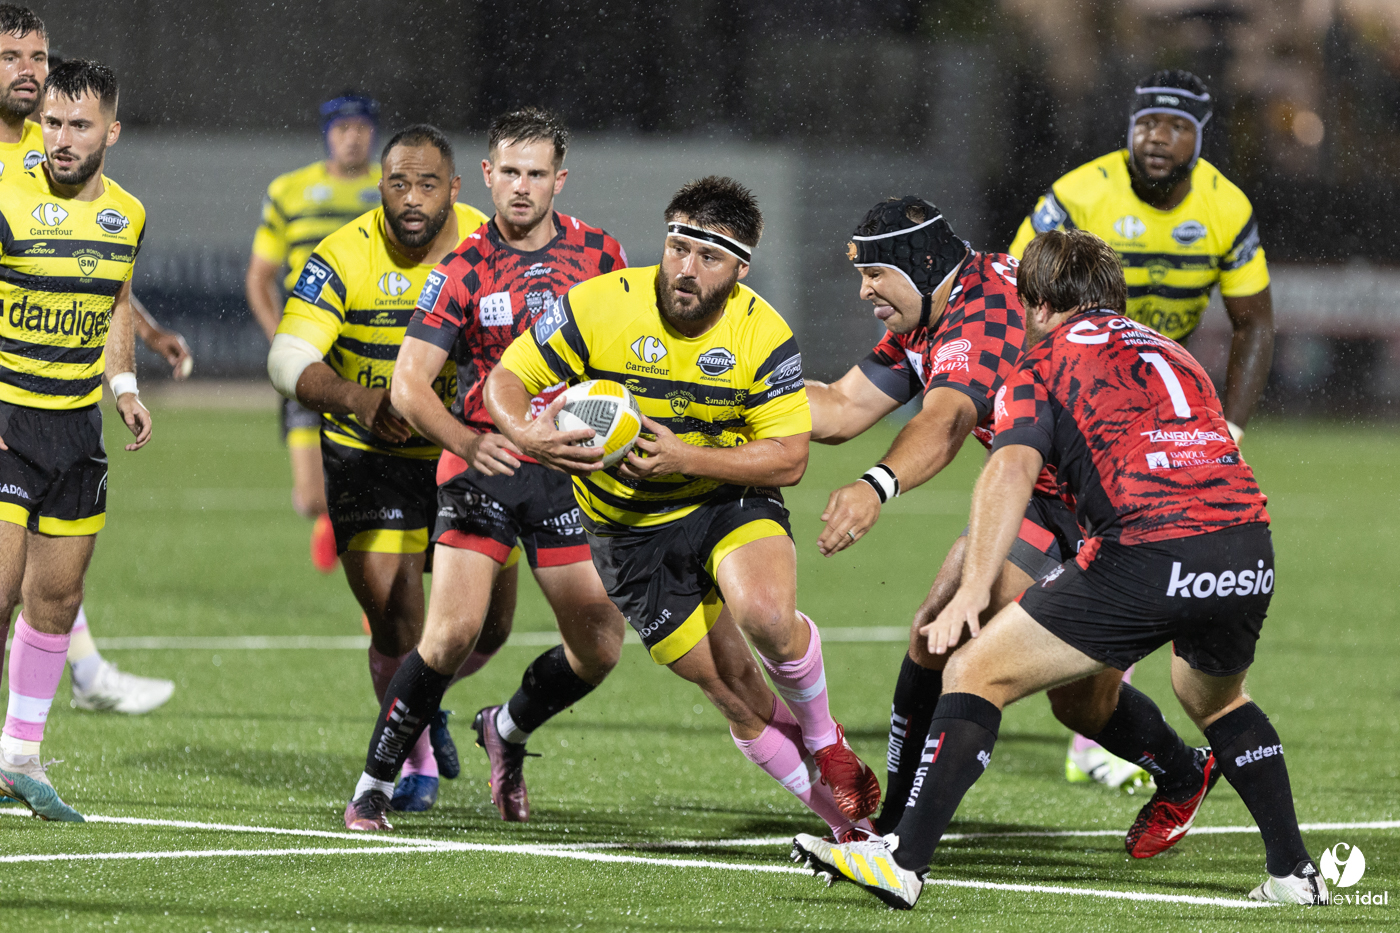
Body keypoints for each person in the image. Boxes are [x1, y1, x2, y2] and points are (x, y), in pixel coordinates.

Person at [793, 229, 1328, 909]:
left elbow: (1009, 469)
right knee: (1216, 699)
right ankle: (1294, 872)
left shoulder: (1042, 363)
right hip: (1245, 547)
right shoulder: (1176, 354)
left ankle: (901, 857)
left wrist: (978, 588)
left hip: (1146, 549)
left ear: (1039, 304)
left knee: (972, 667)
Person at [485, 176, 882, 842]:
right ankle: (850, 828)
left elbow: (788, 457)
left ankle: (826, 737)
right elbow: (508, 377)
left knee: (765, 615)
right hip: (628, 533)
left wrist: (685, 459)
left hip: (724, 498)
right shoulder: (599, 304)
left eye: (709, 258)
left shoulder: (763, 333)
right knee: (735, 691)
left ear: (740, 268)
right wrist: (525, 433)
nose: (686, 269)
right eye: (677, 248)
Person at [805, 197, 1171, 834]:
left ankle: (1197, 780)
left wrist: (876, 484)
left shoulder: (980, 313)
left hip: (1112, 508)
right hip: (1049, 496)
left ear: (920, 265)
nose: (864, 291)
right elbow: (838, 407)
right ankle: (892, 827)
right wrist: (736, 392)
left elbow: (946, 420)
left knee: (1054, 692)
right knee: (944, 633)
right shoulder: (934, 310)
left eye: (873, 274)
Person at [343, 108, 630, 830]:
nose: (523, 187)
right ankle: (374, 783)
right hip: (483, 464)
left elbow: (626, 359)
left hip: (564, 471)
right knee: (450, 635)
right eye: (510, 172)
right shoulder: (463, 267)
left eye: (537, 174)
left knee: (598, 647)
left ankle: (506, 728)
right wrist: (468, 445)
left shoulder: (601, 256)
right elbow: (409, 386)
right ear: (487, 177)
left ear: (559, 180)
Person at [1009, 69, 1275, 785]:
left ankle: (1096, 717)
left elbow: (1253, 321)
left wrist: (1234, 425)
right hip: (1083, 398)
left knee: (1141, 545)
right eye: (1146, 123)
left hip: (1160, 407)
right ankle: (1085, 701)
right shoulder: (1078, 193)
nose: (1157, 138)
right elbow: (1018, 296)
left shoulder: (1227, 206)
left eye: (1175, 126)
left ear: (1200, 136)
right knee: (1104, 550)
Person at [269, 124, 499, 813]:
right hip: (368, 455)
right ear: (380, 187)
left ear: (454, 190)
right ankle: (417, 754)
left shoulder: (486, 246)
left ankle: (423, 700)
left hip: (461, 450)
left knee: (490, 627)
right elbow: (286, 359)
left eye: (428, 183)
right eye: (398, 182)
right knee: (395, 618)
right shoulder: (342, 254)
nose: (412, 197)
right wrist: (358, 398)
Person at [0, 4, 179, 717]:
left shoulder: (73, 173)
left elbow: (99, 279)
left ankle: (61, 693)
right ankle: (87, 669)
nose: (29, 71)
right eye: (12, 55)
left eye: (38, 58)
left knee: (42, 585)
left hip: (62, 416)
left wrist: (131, 369)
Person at [0, 59, 152, 820]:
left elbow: (118, 298)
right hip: (5, 421)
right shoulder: (5, 196)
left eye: (79, 125)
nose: (61, 139)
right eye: (53, 122)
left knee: (55, 600)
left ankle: (20, 757)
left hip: (74, 429)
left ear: (110, 133)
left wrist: (122, 384)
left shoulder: (127, 214)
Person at [247, 91, 382, 573]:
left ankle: (380, 594)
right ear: (328, 135)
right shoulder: (289, 191)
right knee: (309, 497)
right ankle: (331, 522)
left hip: (371, 354)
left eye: (361, 128)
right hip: (309, 352)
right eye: (342, 129)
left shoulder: (392, 190)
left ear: (372, 133)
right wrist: (282, 342)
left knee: (382, 484)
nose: (352, 138)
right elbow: (259, 279)